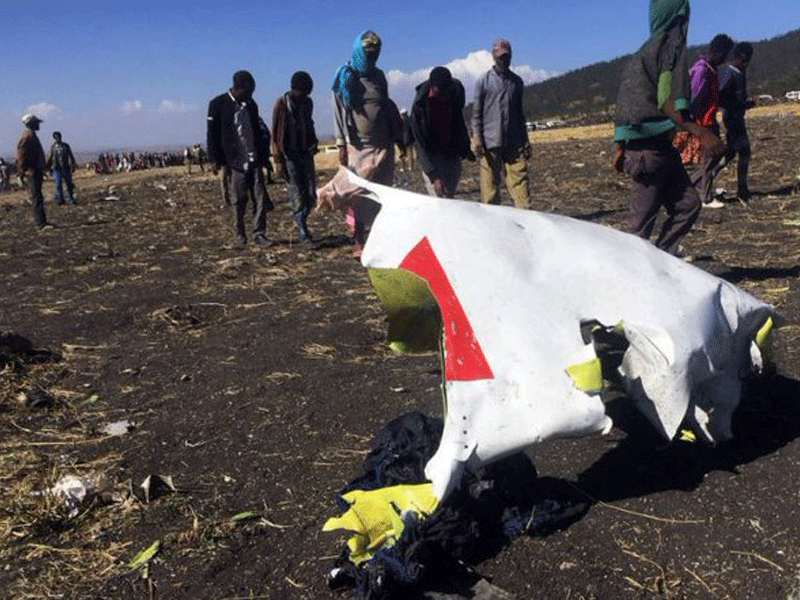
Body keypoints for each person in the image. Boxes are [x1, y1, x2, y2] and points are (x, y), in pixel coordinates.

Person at [612, 0, 724, 256]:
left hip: (659, 148)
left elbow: (625, 104)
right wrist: (701, 132)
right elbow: (665, 100)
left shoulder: (642, 53)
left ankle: (662, 261)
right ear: (679, 18)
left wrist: (619, 145)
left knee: (688, 205)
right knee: (638, 230)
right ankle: (632, 274)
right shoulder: (670, 47)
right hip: (648, 153)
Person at [329, 30, 401, 255]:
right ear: (359, 53)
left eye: (375, 54)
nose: (372, 58)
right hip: (358, 146)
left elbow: (385, 105)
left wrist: (395, 136)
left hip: (382, 144)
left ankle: (377, 237)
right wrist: (341, 144)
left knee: (381, 193)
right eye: (368, 54)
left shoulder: (379, 76)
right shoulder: (346, 76)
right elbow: (338, 110)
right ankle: (359, 242)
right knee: (358, 194)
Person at [207, 70, 274, 248]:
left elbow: (258, 132)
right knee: (239, 201)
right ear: (239, 88)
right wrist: (215, 159)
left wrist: (264, 158)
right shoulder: (218, 104)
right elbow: (212, 134)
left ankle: (259, 233)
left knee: (260, 198)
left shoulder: (251, 105)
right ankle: (240, 233)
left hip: (254, 159)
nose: (251, 95)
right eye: (249, 91)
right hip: (234, 162)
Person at [471, 39, 532, 209]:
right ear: (493, 57)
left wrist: (525, 140)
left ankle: (525, 220)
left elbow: (520, 114)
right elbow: (476, 114)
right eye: (500, 57)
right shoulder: (483, 81)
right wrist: (477, 139)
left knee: (521, 189)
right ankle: (492, 223)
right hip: (490, 144)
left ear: (511, 57)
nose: (503, 61)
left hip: (514, 142)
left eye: (506, 57)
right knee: (490, 193)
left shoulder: (517, 82)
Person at [410, 66, 474, 198]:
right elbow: (420, 145)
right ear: (431, 87)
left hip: (452, 153)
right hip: (432, 154)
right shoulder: (419, 106)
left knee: (449, 195)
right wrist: (433, 176)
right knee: (439, 199)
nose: (443, 97)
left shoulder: (456, 92)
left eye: (445, 93)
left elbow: (459, 122)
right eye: (439, 93)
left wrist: (466, 149)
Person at [686, 34, 734, 209]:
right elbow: (695, 98)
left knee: (714, 157)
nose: (725, 59)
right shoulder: (702, 70)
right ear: (716, 52)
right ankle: (704, 197)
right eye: (724, 55)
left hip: (710, 120)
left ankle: (695, 186)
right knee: (708, 161)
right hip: (703, 123)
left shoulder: (711, 69)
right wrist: (694, 125)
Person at [272, 70, 319, 242]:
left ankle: (302, 219)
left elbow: (310, 123)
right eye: (303, 92)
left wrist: (313, 142)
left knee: (311, 194)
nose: (304, 96)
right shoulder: (282, 104)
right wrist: (278, 160)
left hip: (306, 153)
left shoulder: (307, 103)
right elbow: (275, 133)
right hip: (289, 156)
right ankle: (302, 230)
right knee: (296, 193)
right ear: (294, 89)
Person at [716, 42, 756, 202]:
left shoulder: (741, 72)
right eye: (744, 60)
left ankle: (706, 177)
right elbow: (721, 97)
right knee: (744, 152)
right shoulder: (729, 73)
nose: (746, 64)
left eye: (748, 61)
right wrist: (739, 104)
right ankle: (742, 188)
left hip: (738, 117)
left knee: (731, 153)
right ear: (738, 57)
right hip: (732, 119)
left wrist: (745, 103)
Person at [16, 114, 51, 230]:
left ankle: (42, 222)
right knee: (36, 197)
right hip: (32, 172)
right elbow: (21, 154)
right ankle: (40, 224)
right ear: (31, 124)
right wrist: (22, 171)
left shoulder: (31, 135)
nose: (38, 125)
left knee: (38, 197)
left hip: (35, 171)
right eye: (36, 123)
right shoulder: (28, 136)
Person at [46, 131, 78, 205]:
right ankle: (60, 199)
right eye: (56, 137)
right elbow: (50, 157)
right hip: (57, 168)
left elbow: (71, 156)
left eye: (59, 136)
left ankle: (70, 198)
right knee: (58, 184)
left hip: (66, 167)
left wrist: (73, 165)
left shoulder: (65, 146)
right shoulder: (53, 147)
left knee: (69, 184)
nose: (58, 138)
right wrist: (48, 167)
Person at [398, 109, 415, 173]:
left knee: (404, 154)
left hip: (404, 140)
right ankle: (409, 167)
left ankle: (404, 167)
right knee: (408, 154)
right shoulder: (409, 121)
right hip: (407, 140)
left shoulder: (401, 121)